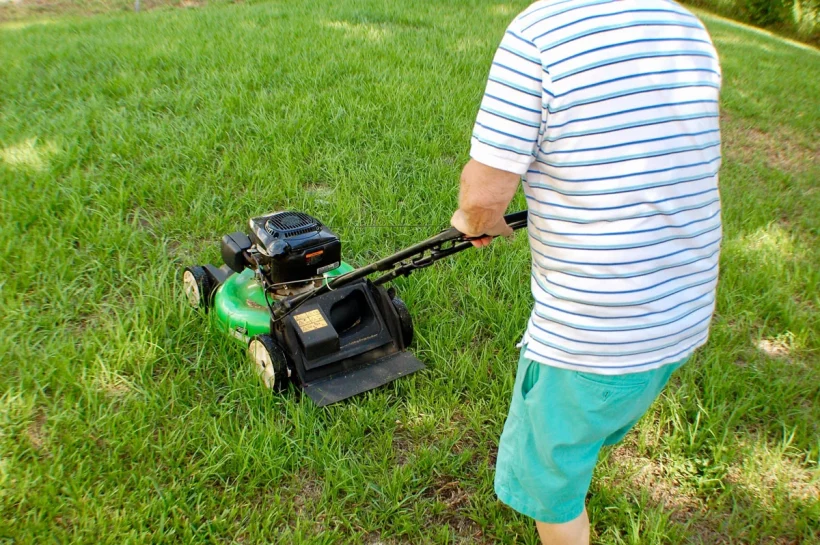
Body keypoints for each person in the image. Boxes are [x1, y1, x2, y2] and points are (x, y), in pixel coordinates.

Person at [449, 0, 722, 543]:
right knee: (597, 418)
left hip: (595, 332)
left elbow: (487, 188)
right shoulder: (684, 24)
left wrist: (474, 219)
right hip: (681, 311)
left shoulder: (539, 32)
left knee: (548, 477)